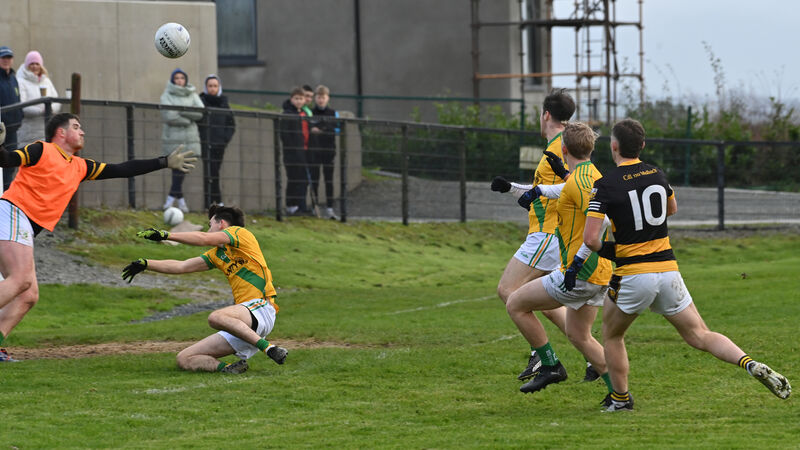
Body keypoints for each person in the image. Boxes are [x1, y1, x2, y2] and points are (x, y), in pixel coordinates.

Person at [584, 118, 791, 411]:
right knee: (700, 335)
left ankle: (620, 399)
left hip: (633, 275)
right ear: (642, 146)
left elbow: (591, 240)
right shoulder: (657, 173)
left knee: (612, 336)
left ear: (613, 146)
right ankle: (748, 362)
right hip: (668, 271)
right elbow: (672, 209)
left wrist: (617, 250)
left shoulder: (604, 184)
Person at [0, 112, 196, 361]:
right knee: (19, 281)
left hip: (22, 223)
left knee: (28, 295)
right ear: (61, 132)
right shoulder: (41, 149)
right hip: (13, 213)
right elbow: (6, 159)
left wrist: (164, 161)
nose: (82, 131)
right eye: (76, 126)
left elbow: (123, 169)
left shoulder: (80, 167)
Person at [490, 88, 598, 382]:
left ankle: (545, 358)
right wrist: (513, 189)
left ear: (546, 114)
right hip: (552, 234)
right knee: (546, 304)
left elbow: (568, 186)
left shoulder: (557, 148)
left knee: (508, 291)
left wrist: (516, 190)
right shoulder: (560, 144)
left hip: (547, 233)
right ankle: (592, 358)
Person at [506, 122, 613, 395]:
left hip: (580, 272)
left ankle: (550, 365)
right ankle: (620, 393)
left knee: (515, 303)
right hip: (599, 273)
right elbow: (571, 190)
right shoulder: (589, 174)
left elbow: (602, 221)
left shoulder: (577, 182)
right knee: (580, 336)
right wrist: (538, 190)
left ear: (564, 148)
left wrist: (577, 261)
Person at [121, 204, 288, 373]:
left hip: (261, 308)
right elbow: (182, 266)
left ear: (221, 224)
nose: (208, 230)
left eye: (210, 225)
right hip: (242, 323)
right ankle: (229, 369)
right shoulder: (217, 255)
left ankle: (270, 349)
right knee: (185, 358)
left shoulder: (240, 233)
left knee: (215, 317)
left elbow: (203, 238)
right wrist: (146, 264)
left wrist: (166, 235)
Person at [160, 68, 204, 213]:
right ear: (173, 80)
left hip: (190, 139)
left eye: (182, 78)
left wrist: (181, 111)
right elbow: (169, 115)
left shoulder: (192, 93)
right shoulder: (167, 95)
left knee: (182, 170)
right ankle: (176, 201)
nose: (179, 80)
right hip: (173, 139)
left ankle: (173, 200)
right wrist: (188, 116)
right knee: (176, 169)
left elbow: (200, 112)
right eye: (177, 78)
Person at [199, 74, 235, 206]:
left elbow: (231, 125)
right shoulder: (201, 102)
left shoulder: (224, 104)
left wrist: (224, 139)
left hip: (219, 145)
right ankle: (214, 201)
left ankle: (213, 201)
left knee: (214, 172)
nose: (212, 88)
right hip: (205, 143)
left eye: (215, 86)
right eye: (210, 86)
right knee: (209, 172)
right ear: (206, 87)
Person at [309, 85, 340, 220]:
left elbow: (336, 129)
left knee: (329, 180)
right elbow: (309, 127)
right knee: (314, 180)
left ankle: (330, 208)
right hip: (314, 151)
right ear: (315, 98)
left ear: (328, 98)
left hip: (328, 151)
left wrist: (322, 129)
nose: (321, 100)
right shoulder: (310, 113)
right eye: (319, 97)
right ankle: (314, 207)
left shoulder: (333, 113)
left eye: (323, 97)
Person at [17, 50, 61, 146]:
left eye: (37, 63)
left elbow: (56, 101)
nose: (34, 66)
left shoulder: (47, 81)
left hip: (47, 128)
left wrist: (51, 108)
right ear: (27, 65)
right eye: (31, 63)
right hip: (28, 131)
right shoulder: (21, 82)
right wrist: (41, 111)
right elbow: (22, 105)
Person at [280, 87, 310, 215]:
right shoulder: (287, 114)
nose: (298, 101)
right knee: (293, 178)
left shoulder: (304, 114)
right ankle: (291, 205)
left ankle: (300, 205)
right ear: (292, 99)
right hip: (292, 154)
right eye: (296, 98)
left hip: (305, 152)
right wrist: (293, 148)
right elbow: (285, 135)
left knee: (302, 179)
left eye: (301, 99)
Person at [0, 46, 22, 191]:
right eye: (3, 58)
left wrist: (21, 116)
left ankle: (6, 196)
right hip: (1, 130)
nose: (6, 61)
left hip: (13, 129)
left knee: (10, 164)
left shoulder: (13, 78)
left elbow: (18, 99)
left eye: (8, 58)